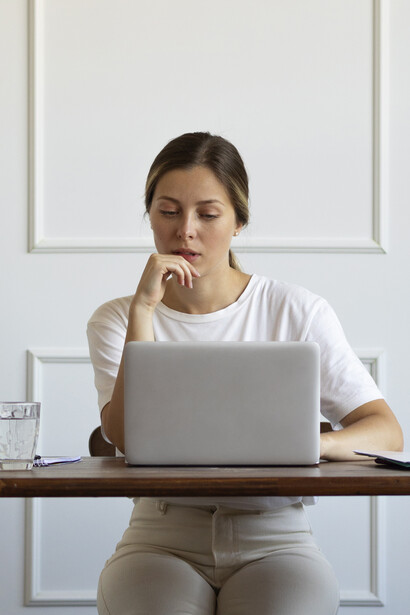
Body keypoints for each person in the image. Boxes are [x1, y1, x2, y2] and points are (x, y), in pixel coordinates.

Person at [87, 132, 403, 615]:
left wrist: (311, 445)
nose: (185, 230)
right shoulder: (117, 319)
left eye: (207, 214)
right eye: (168, 211)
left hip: (277, 537)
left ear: (239, 222)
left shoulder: (296, 310)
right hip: (159, 534)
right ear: (149, 215)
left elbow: (386, 431)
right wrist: (144, 310)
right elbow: (126, 436)